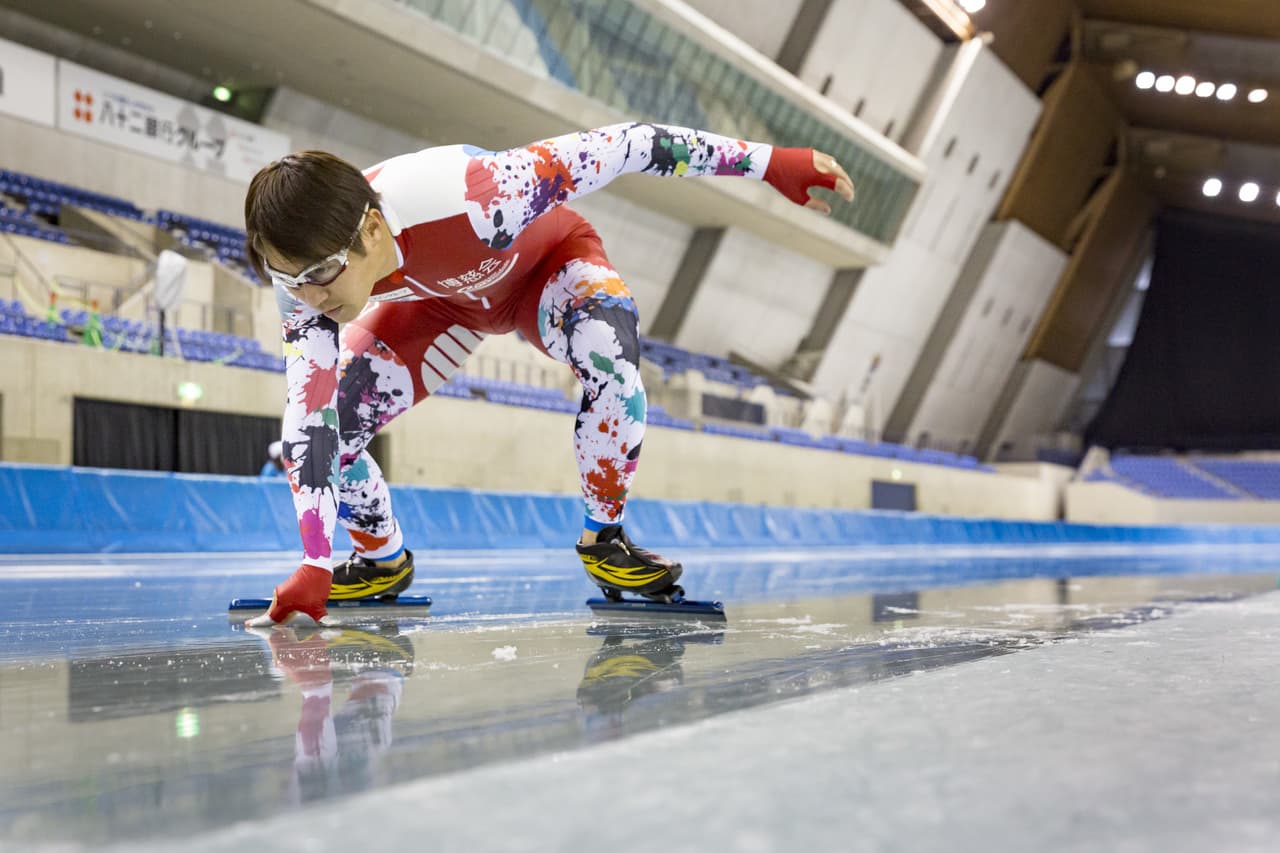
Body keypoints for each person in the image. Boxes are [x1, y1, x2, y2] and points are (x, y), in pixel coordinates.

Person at [243, 121, 854, 626]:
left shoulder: (478, 194)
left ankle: (604, 538)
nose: (306, 297)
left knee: (611, 360)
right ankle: (379, 559)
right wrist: (315, 560)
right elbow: (308, 420)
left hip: (547, 269)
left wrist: (771, 162)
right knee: (336, 427)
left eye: (318, 275)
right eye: (285, 278)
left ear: (371, 230)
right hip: (443, 306)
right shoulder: (303, 285)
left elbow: (634, 145)